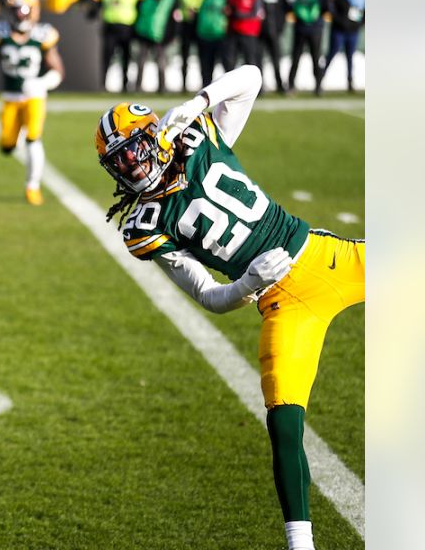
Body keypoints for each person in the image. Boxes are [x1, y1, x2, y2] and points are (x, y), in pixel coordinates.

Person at [94, 65, 363, 550]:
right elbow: (210, 299)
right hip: (281, 302)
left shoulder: (199, 134)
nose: (132, 167)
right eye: (120, 162)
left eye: (133, 150)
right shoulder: (145, 225)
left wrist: (198, 101)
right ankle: (300, 544)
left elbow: (253, 77)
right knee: (283, 416)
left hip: (326, 258)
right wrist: (247, 283)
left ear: (154, 136)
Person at [0, 2, 63, 205]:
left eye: (24, 11)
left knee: (33, 139)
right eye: (16, 11)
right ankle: (16, 136)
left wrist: (41, 83)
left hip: (34, 97)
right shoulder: (1, 33)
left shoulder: (41, 35)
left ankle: (33, 187)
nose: (20, 16)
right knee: (6, 146)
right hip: (11, 97)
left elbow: (58, 70)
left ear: (33, 12)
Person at [81, 0, 138, 91]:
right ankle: (103, 85)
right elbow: (97, 7)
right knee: (106, 58)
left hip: (126, 29)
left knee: (126, 59)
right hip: (110, 29)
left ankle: (125, 85)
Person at [319, 0, 364, 93]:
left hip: (353, 31)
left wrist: (359, 24)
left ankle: (350, 81)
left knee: (350, 57)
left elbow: (363, 13)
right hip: (339, 30)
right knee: (332, 54)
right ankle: (320, 79)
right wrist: (340, 21)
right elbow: (332, 9)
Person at [131, 0, 177, 93]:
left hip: (160, 37)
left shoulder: (170, 0)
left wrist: (170, 36)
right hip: (145, 35)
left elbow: (174, 20)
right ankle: (137, 87)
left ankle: (162, 88)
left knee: (161, 63)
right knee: (141, 62)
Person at [288, 0, 325, 96]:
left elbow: (326, 8)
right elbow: (293, 8)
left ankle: (318, 85)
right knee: (296, 58)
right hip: (302, 30)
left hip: (315, 30)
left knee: (316, 58)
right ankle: (291, 84)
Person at [256, 0, 287, 93]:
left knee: (276, 59)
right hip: (260, 31)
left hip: (274, 30)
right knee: (258, 60)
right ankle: (259, 86)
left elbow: (284, 8)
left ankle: (279, 84)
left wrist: (279, 27)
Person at [225, 0, 264, 76]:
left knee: (251, 61)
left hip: (249, 32)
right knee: (230, 61)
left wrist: (239, 14)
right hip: (234, 31)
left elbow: (255, 13)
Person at [194, 0, 230, 87]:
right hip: (205, 36)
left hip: (220, 36)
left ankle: (230, 89)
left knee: (227, 65)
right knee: (206, 67)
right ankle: (206, 90)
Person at [176, 0, 207, 85]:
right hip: (187, 26)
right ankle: (184, 83)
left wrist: (196, 11)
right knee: (185, 56)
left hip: (200, 26)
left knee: (203, 57)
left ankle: (204, 83)